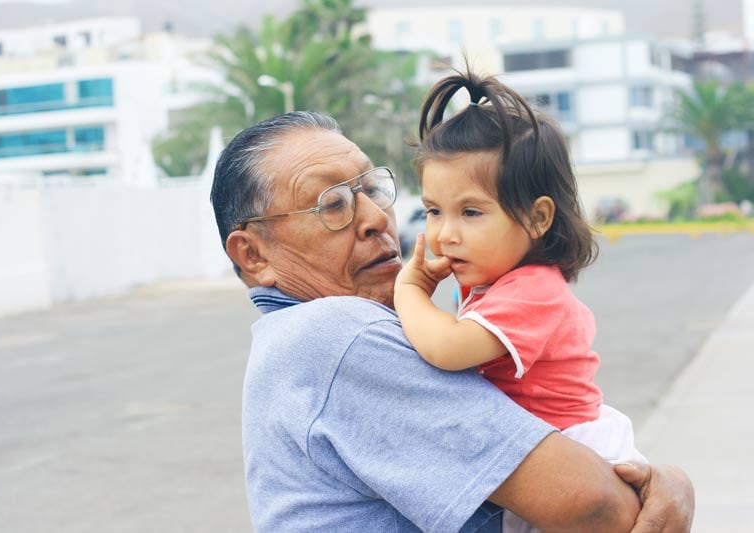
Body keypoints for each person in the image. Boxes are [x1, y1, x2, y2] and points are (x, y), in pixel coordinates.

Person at [210, 110, 694, 532]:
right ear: (253, 255)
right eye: (333, 204)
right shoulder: (338, 336)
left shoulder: (290, 342)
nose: (377, 218)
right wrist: (666, 485)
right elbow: (596, 506)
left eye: (372, 188)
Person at [393, 70, 646, 533]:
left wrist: (408, 292)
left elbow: (448, 350)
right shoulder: (492, 284)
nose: (445, 233)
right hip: (544, 455)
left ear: (537, 217)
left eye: (471, 212)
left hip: (576, 462)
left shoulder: (534, 290)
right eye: (433, 211)